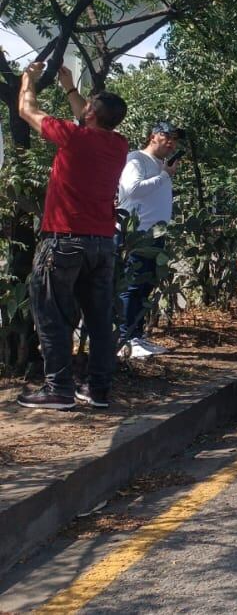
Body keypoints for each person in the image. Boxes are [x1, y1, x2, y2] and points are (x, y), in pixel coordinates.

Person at [15, 63, 129, 410]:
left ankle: (59, 388)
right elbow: (90, 117)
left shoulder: (72, 136)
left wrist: (27, 81)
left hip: (64, 241)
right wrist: (69, 88)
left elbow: (25, 109)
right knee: (98, 318)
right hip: (101, 243)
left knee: (52, 314)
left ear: (92, 113)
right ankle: (98, 390)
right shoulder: (118, 144)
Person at [115, 119, 183, 358]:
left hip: (155, 235)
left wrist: (165, 173)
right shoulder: (136, 159)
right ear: (153, 136)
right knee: (132, 286)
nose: (172, 143)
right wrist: (165, 176)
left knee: (145, 285)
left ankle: (137, 336)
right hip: (137, 235)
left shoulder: (161, 164)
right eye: (168, 137)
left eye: (175, 139)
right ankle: (124, 339)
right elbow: (132, 189)